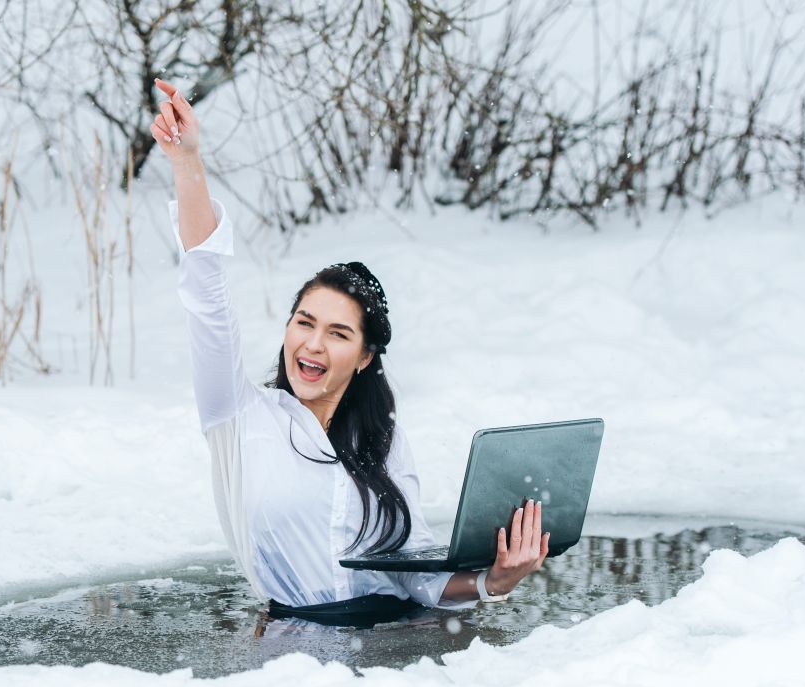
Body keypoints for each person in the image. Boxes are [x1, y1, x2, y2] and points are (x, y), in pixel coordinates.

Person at [150, 78, 549, 625]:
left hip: (402, 644)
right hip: (295, 655)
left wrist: (494, 581)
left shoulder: (381, 439)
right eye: (304, 322)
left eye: (338, 333)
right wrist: (187, 162)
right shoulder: (238, 416)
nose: (313, 343)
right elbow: (208, 299)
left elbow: (417, 579)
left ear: (364, 356)